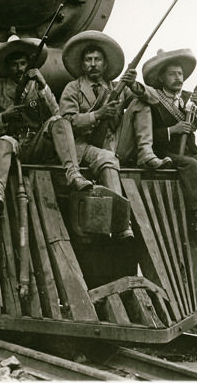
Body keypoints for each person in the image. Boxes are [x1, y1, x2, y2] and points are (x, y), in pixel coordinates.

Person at [0, 35, 92, 220]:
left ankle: (74, 175)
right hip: (8, 145)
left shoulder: (38, 87)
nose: (20, 68)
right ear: (7, 67)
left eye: (23, 63)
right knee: (4, 142)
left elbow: (58, 115)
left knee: (59, 122)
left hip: (35, 144)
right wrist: (4, 117)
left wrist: (43, 85)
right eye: (15, 64)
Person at [58, 30, 142, 238]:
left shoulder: (117, 87)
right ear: (82, 64)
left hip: (114, 143)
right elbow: (66, 122)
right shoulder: (73, 88)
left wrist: (134, 84)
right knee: (106, 158)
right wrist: (97, 115)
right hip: (80, 146)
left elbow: (146, 100)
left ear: (105, 64)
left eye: (98, 59)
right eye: (88, 60)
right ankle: (122, 222)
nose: (93, 64)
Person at [140, 48, 197, 237]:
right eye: (172, 74)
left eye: (180, 74)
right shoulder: (153, 98)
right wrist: (172, 130)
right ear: (161, 78)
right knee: (191, 164)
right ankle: (196, 215)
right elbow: (145, 134)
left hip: (188, 153)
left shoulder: (189, 98)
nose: (178, 78)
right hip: (163, 153)